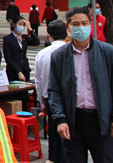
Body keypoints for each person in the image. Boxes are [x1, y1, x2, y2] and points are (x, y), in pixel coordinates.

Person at [48, 6, 113, 163]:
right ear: (68, 27)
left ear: (91, 24)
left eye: (84, 23)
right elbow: (54, 90)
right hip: (73, 121)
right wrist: (60, 119)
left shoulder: (107, 52)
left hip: (101, 120)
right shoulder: (59, 56)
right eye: (76, 24)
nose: (80, 27)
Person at [34, 20, 68, 163]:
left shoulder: (42, 54)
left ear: (49, 36)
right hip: (69, 99)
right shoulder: (71, 51)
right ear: (66, 34)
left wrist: (42, 102)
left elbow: (39, 81)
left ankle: (53, 158)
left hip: (50, 98)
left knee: (54, 132)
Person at [3, 16, 39, 82]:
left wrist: (30, 28)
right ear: (14, 25)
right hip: (13, 71)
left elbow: (36, 42)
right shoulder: (7, 39)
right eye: (20, 24)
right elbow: (8, 58)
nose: (22, 26)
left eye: (23, 25)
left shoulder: (25, 37)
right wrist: (18, 72)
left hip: (25, 70)